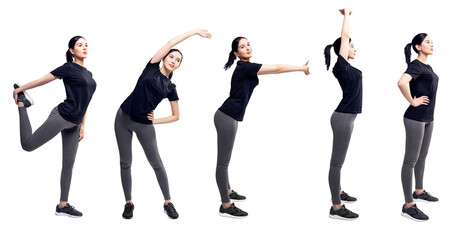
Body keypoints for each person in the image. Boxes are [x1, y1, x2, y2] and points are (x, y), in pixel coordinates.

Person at [115, 28, 212, 219]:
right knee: (125, 163)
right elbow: (169, 43)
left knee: (157, 163)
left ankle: (168, 202)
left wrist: (155, 121)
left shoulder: (170, 87)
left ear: (178, 66)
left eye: (178, 60)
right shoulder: (151, 66)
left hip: (144, 124)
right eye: (172, 56)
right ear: (165, 57)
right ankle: (128, 203)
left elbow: (176, 116)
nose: (174, 60)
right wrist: (194, 32)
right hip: (122, 117)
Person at [216, 36, 310, 218]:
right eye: (242, 47)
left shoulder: (245, 67)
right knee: (223, 162)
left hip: (231, 116)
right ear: (236, 53)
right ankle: (225, 205)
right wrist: (302, 68)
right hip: (226, 116)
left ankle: (228, 191)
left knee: (226, 160)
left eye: (248, 44)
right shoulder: (245, 67)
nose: (248, 48)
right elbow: (277, 69)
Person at [13, 36, 96, 217]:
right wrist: (20, 90)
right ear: (72, 51)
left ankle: (62, 205)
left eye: (86, 45)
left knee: (68, 165)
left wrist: (83, 125)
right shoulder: (68, 68)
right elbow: (42, 80)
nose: (84, 47)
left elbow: (86, 102)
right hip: (61, 116)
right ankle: (22, 105)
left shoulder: (89, 75)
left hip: (75, 124)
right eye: (80, 45)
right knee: (28, 145)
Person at [323, 8, 361, 220]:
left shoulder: (349, 68)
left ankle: (338, 191)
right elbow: (344, 37)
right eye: (351, 46)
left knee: (340, 161)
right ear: (342, 50)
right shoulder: (341, 66)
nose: (354, 48)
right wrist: (346, 14)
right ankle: (336, 207)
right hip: (343, 118)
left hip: (348, 117)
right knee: (336, 163)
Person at [397, 33, 439, 222]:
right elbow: (401, 82)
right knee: (410, 160)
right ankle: (408, 205)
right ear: (418, 47)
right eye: (427, 42)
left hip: (428, 118)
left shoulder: (427, 66)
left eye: (432, 41)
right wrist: (412, 102)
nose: (432, 44)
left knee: (422, 156)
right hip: (415, 118)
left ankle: (419, 191)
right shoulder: (416, 65)